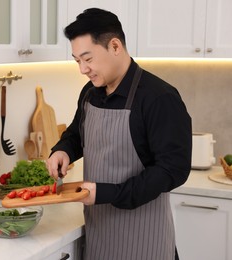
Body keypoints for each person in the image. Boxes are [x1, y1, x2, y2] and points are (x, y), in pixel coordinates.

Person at [46, 8, 192, 260]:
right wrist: (63, 150)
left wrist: (107, 193)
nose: (82, 69)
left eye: (88, 58)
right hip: (99, 236)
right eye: (77, 60)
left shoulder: (159, 98)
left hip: (146, 240)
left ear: (115, 46)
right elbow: (77, 134)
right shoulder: (90, 93)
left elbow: (172, 169)